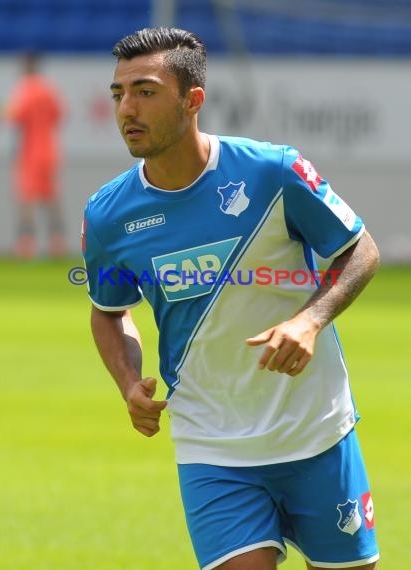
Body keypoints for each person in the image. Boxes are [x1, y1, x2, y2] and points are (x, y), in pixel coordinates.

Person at [82, 27, 380, 570]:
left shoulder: (272, 172)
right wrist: (129, 383)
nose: (128, 107)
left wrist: (310, 321)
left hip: (316, 430)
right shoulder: (109, 214)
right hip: (212, 446)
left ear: (192, 99)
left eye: (146, 91)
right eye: (118, 94)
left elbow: (359, 251)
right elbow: (108, 311)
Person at [2, 53, 67, 258]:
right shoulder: (48, 89)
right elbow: (59, 114)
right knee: (51, 198)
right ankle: (58, 242)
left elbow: (13, 116)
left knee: (27, 199)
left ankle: (26, 244)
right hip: (49, 150)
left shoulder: (24, 89)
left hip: (30, 152)